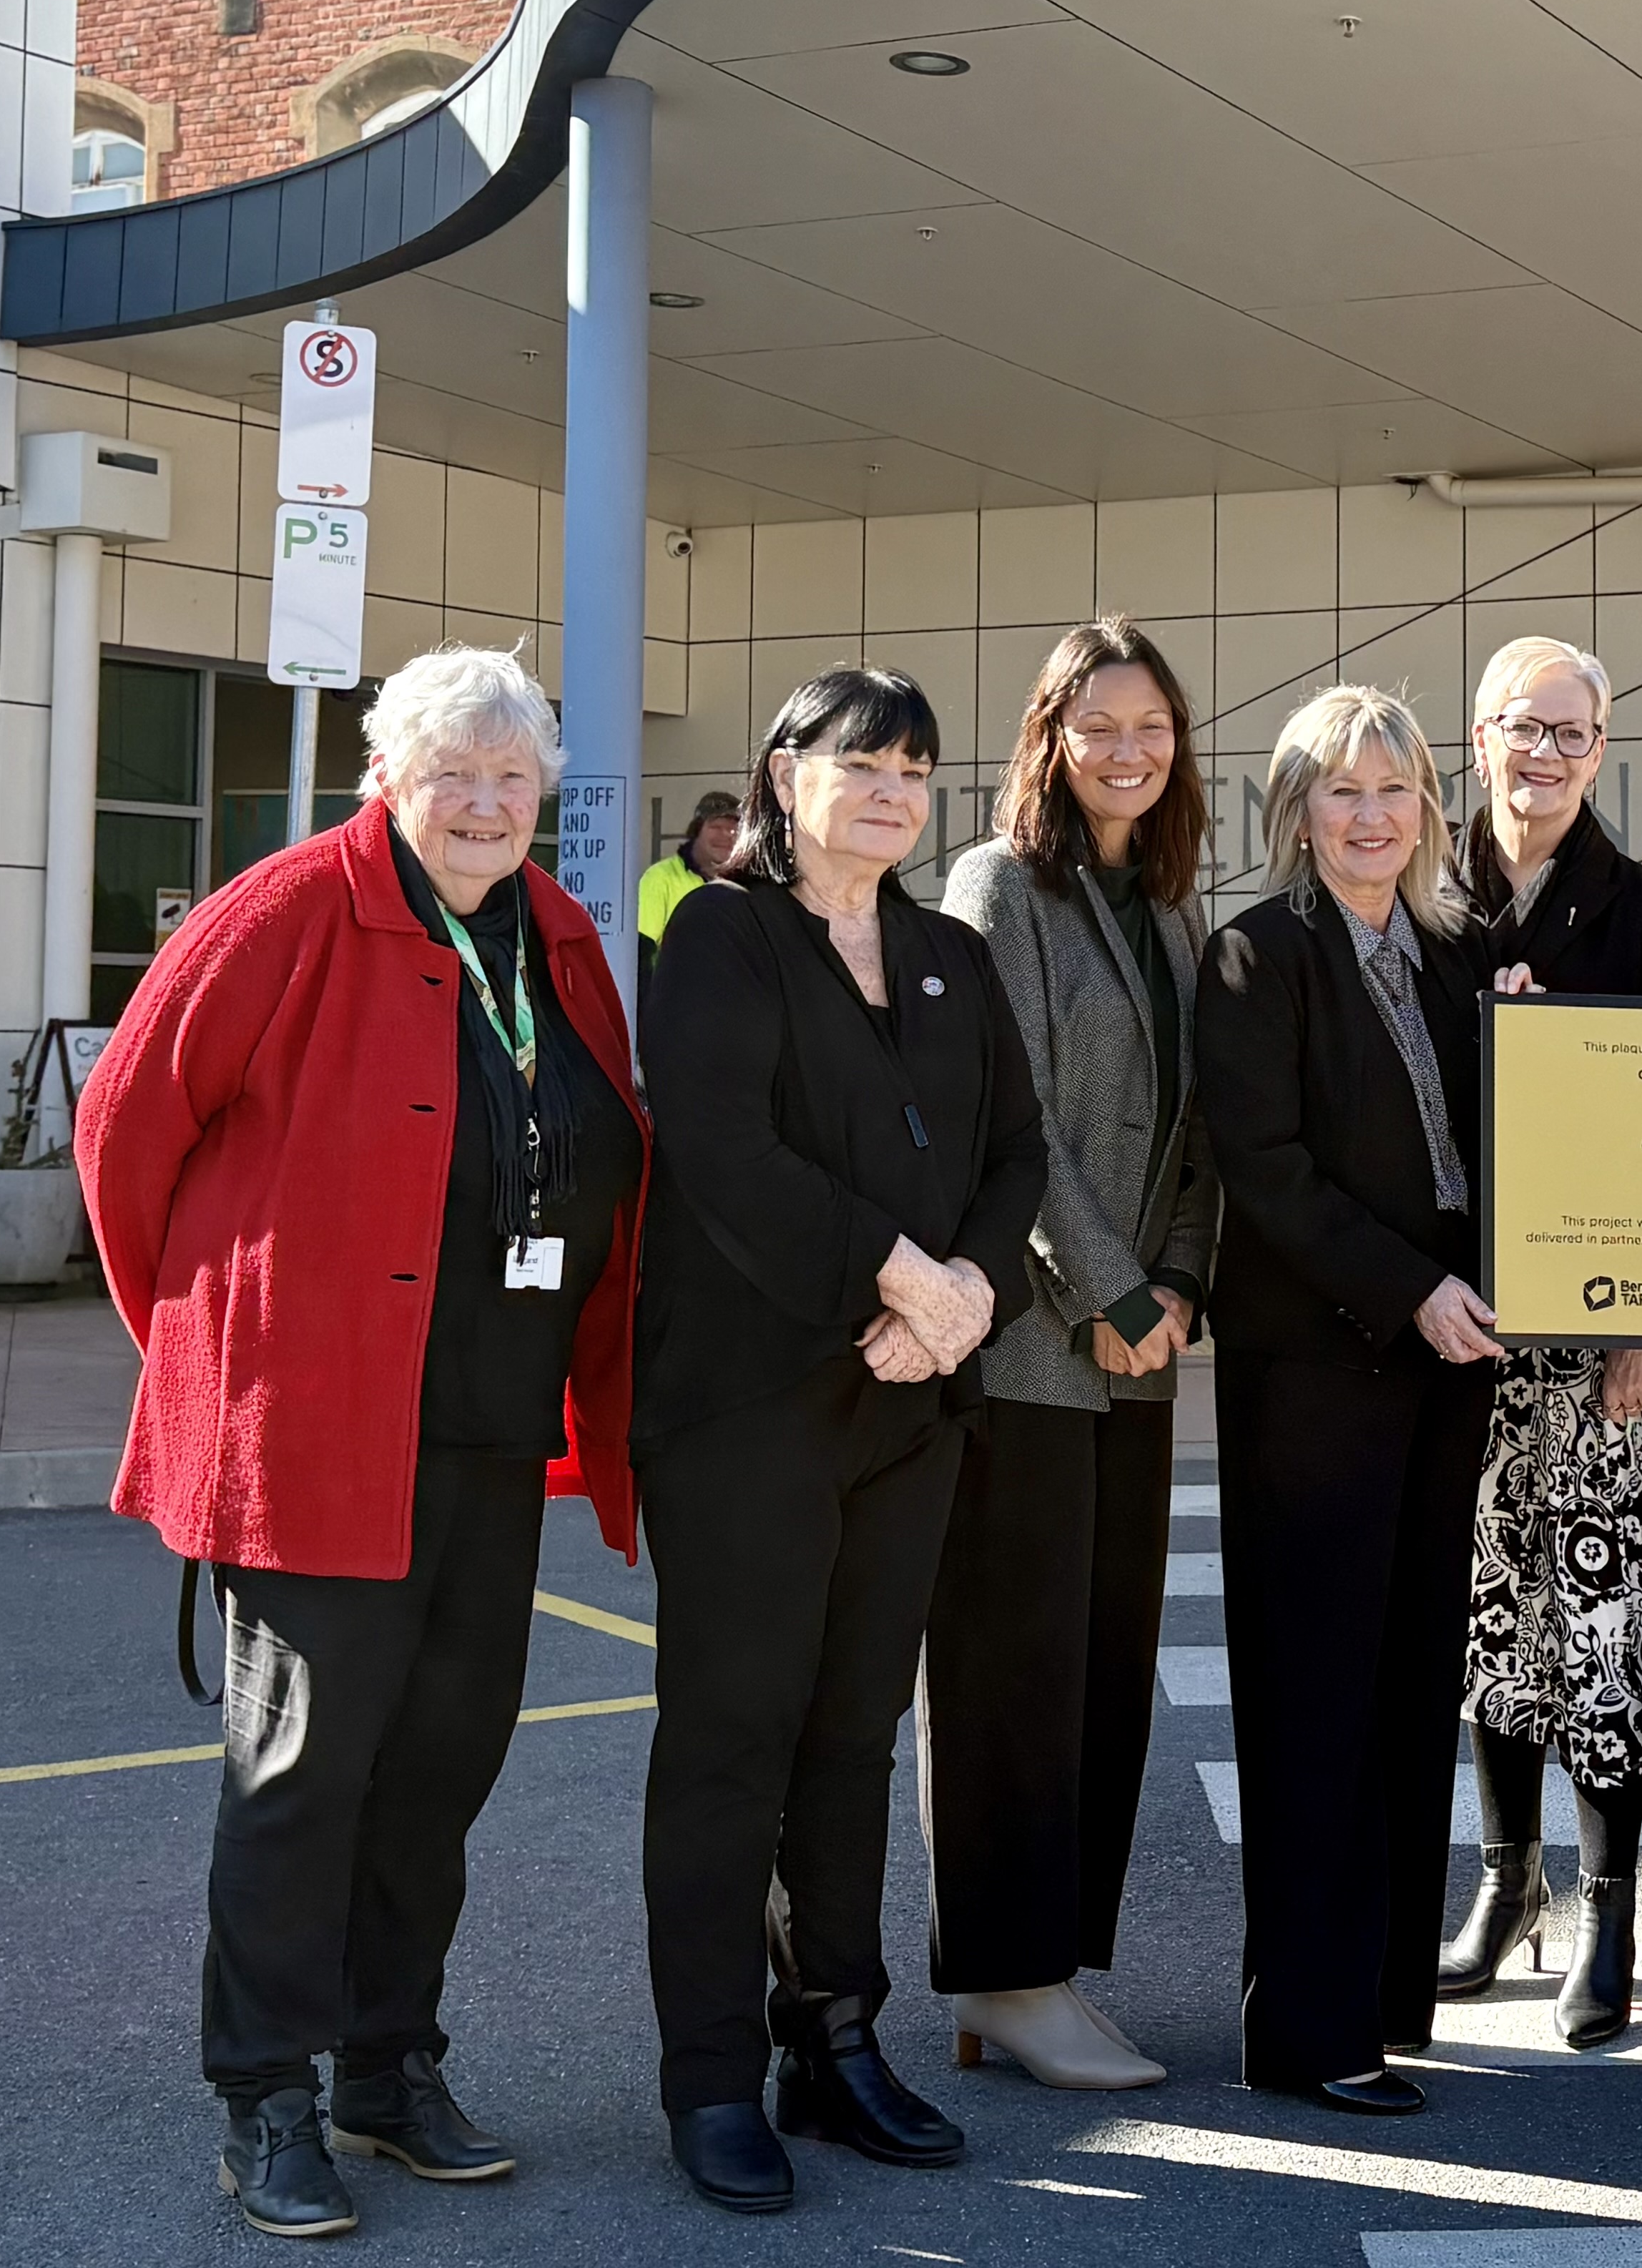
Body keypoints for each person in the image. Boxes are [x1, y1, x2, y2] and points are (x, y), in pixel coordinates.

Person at [77, 642, 646, 2238]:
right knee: (303, 1776)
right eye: (449, 773)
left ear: (545, 793)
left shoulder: (564, 934)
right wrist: (207, 1345)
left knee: (440, 1770)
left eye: (510, 777)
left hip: (486, 1431)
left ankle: (385, 2070)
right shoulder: (286, 910)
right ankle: (265, 2096)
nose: (479, 802)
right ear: (385, 781)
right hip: (317, 1429)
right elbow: (125, 1127)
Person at [636, 666, 1044, 2213]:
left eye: (915, 768)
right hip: (746, 1403)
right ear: (783, 775)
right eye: (859, 760)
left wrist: (967, 1299)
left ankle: (835, 2039)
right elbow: (724, 1152)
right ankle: (709, 2078)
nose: (889, 788)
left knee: (853, 1735)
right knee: (731, 1738)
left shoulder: (945, 951)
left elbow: (1013, 1150)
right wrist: (902, 1275)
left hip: (910, 1402)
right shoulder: (724, 936)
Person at [1196, 684, 1501, 2114]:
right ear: (1296, 812)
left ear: (1429, 808)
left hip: (1448, 1367)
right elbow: (1267, 1177)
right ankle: (1309, 2033)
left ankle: (1386, 2001)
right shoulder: (1257, 957)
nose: (1371, 817)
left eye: (1395, 791)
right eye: (1341, 792)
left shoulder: (1459, 958)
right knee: (1314, 1698)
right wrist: (1412, 1291)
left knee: (1404, 1685)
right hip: (1320, 1370)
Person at [928, 621, 1216, 2093]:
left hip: (1135, 1350)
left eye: (1152, 724)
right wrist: (1105, 1285)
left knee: (1096, 1670)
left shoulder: (1164, 907)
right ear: (1047, 737)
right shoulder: (1000, 890)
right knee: (1008, 1670)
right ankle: (1000, 1970)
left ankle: (1044, 1975)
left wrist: (1171, 1280)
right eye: (1098, 724)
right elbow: (1013, 1117)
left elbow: (1196, 1128)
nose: (1128, 750)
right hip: (1036, 1353)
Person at [1440, 636, 1642, 2047]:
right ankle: (1505, 1889)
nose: (1539, 756)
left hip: (1613, 1336)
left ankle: (1609, 1912)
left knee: (1606, 1625)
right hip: (1468, 1325)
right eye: (1516, 728)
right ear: (1474, 736)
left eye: (1567, 734)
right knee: (1495, 1616)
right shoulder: (1424, 898)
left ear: (1601, 751)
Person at [636, 790, 745, 977]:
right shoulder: (660, 878)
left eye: (734, 828)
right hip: (677, 998)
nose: (727, 835)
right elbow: (643, 950)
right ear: (697, 830)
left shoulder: (748, 885)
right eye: (716, 826)